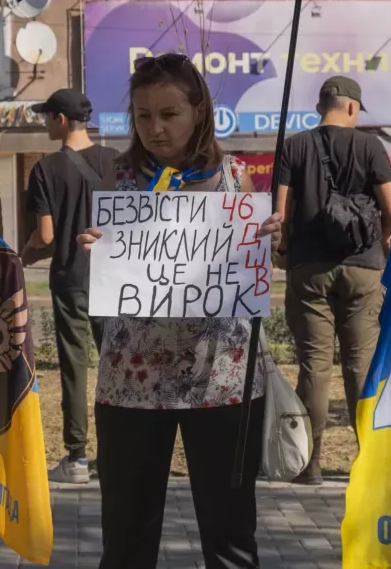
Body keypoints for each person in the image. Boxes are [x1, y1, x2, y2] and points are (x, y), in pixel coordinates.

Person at [76, 53, 281, 569]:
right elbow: (111, 269)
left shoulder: (236, 178)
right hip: (131, 384)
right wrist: (98, 249)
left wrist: (268, 242)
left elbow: (254, 272)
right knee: (126, 538)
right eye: (143, 116)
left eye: (168, 114)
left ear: (199, 111)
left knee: (231, 535)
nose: (155, 128)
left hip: (223, 382)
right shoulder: (119, 178)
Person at [272, 76, 391, 485]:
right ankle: (368, 463)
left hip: (309, 267)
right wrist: (381, 242)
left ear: (321, 106)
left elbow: (281, 212)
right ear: (352, 107)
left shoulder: (293, 146)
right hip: (363, 266)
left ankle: (308, 465)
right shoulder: (371, 147)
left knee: (314, 365)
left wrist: (282, 250)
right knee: (360, 364)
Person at [20, 89, 118, 485]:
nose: (43, 122)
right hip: (117, 280)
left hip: (72, 279)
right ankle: (118, 454)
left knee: (76, 368)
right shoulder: (118, 163)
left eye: (46, 116)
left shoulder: (46, 169)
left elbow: (45, 236)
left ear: (61, 119)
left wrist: (22, 256)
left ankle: (77, 459)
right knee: (118, 367)